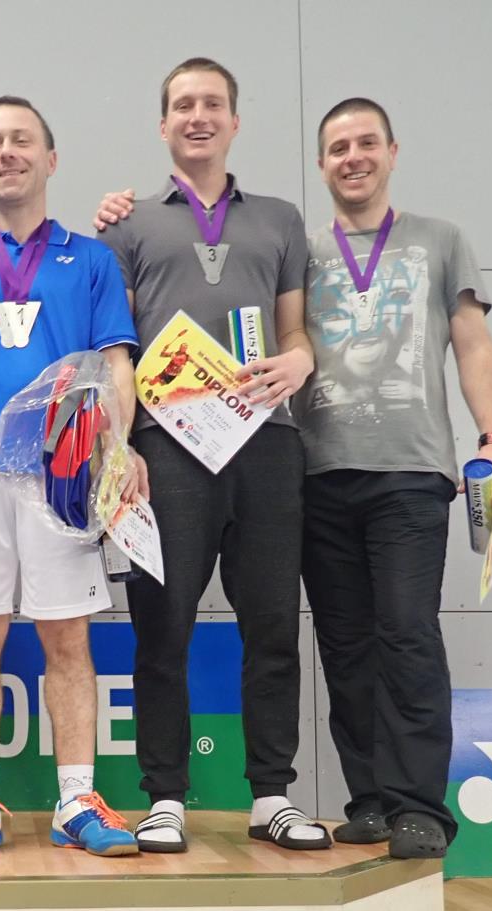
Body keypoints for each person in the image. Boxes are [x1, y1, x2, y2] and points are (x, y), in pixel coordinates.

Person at [94, 58, 327, 853]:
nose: (199, 116)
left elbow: (294, 330)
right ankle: (164, 797)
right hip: (166, 450)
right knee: (162, 629)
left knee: (273, 625)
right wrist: (120, 447)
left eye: (213, 104)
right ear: (163, 124)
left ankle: (272, 796)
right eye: (184, 105)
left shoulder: (281, 219)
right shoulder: (127, 224)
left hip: (266, 444)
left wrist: (300, 361)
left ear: (235, 120)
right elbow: (116, 346)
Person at [0, 97, 144, 861]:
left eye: (20, 140)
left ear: (51, 158)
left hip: (63, 478)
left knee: (67, 639)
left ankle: (77, 801)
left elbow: (116, 366)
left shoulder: (92, 260)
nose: (4, 152)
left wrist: (117, 450)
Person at [300, 98, 492, 858]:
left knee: (407, 634)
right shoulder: (301, 252)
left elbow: (473, 343)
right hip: (318, 474)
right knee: (345, 645)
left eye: (366, 143)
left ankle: (419, 806)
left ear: (392, 152)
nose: (352, 157)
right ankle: (369, 799)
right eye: (338, 148)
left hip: (412, 474)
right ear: (321, 164)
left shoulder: (440, 240)